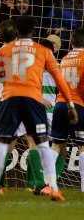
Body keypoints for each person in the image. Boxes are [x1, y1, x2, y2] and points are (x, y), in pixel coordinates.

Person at [0, 15, 78, 203]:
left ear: (16, 31)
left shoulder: (4, 50)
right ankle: (53, 189)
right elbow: (60, 79)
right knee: (43, 145)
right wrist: (69, 103)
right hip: (33, 100)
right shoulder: (42, 50)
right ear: (33, 31)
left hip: (9, 99)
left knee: (2, 146)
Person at [51, 28, 84, 193]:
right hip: (77, 105)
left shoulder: (64, 59)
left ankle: (47, 184)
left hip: (59, 104)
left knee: (56, 145)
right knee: (83, 146)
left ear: (72, 42)